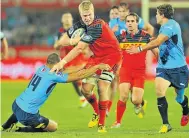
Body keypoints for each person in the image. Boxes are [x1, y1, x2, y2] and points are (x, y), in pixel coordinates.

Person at [51, 1, 122, 133]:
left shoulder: (97, 25)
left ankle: (101, 124)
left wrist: (62, 63)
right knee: (85, 90)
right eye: (84, 16)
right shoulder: (81, 24)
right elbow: (62, 40)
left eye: (89, 15)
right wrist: (72, 40)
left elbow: (79, 49)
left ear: (93, 13)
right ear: (81, 15)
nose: (87, 18)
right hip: (96, 57)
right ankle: (97, 112)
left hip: (112, 57)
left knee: (102, 87)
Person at [1, 53, 110, 132]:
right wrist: (97, 67)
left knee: (22, 107)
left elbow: (65, 70)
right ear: (55, 64)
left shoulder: (42, 68)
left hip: (16, 104)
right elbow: (78, 76)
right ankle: (18, 129)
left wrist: (84, 67)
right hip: (28, 115)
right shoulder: (53, 76)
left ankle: (5, 126)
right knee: (53, 127)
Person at [128, 4, 189, 133]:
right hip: (164, 68)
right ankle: (166, 124)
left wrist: (140, 48)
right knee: (159, 91)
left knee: (179, 98)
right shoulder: (164, 26)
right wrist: (151, 43)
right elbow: (161, 43)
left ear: (162, 15)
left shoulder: (171, 25)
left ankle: (185, 109)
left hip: (178, 68)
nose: (155, 16)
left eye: (157, 13)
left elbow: (159, 42)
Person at [111, 13, 158, 128]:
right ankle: (117, 122)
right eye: (128, 21)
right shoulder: (120, 37)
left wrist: (163, 63)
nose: (130, 23)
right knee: (123, 96)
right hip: (125, 70)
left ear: (137, 23)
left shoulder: (146, 36)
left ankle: (140, 103)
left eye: (132, 21)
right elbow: (113, 53)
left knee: (136, 99)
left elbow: (156, 52)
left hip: (139, 72)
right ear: (125, 23)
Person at [55, 12, 88, 108]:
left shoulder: (77, 30)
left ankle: (85, 95)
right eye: (65, 17)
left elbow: (84, 41)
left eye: (68, 17)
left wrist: (83, 48)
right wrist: (60, 43)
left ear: (72, 19)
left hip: (77, 56)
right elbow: (56, 46)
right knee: (72, 78)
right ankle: (83, 97)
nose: (66, 19)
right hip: (67, 58)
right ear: (62, 20)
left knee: (77, 76)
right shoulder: (60, 32)